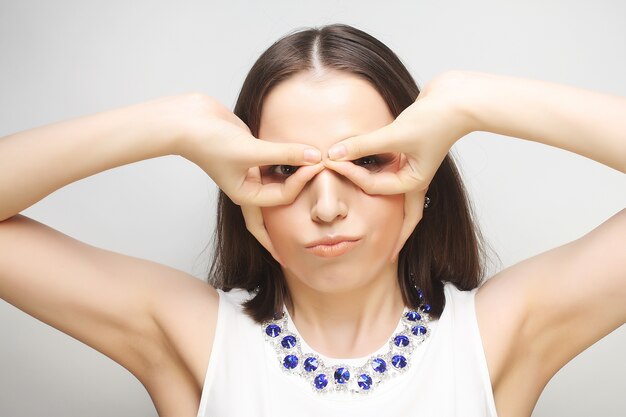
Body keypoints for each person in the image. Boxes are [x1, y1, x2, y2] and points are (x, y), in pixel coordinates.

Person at [0, 23, 623, 417]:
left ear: (420, 175)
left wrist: (469, 101)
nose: (327, 207)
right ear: (241, 191)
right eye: (282, 172)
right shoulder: (191, 339)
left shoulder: (501, 337)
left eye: (368, 161)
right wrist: (176, 124)